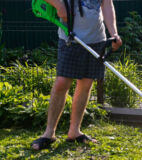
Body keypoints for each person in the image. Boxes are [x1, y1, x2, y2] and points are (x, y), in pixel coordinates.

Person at [31, 0, 122, 150]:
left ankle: (74, 131)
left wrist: (114, 33)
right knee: (62, 82)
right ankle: (49, 133)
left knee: (86, 84)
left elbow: (107, 4)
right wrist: (59, 5)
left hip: (96, 39)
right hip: (70, 38)